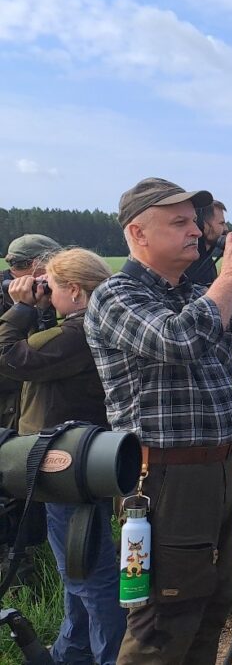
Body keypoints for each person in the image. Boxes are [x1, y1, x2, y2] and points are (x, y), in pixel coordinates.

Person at [85, 177, 232, 664]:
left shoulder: (196, 292)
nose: (195, 231)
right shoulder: (118, 296)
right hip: (165, 479)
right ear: (138, 233)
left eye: (195, 221)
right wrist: (230, 275)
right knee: (164, 617)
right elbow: (180, 341)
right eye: (178, 222)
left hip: (219, 470)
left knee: (212, 606)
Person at [0, 248, 127, 665]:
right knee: (77, 567)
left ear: (75, 290)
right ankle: (73, 651)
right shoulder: (91, 325)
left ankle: (112, 657)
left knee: (89, 572)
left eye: (51, 288)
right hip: (82, 459)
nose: (46, 294)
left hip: (65, 462)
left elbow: (10, 358)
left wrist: (19, 309)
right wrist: (38, 311)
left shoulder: (78, 333)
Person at [1, 233, 61, 429]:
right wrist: (22, 309)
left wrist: (44, 311)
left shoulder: (40, 292)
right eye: (56, 265)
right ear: (36, 265)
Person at [184, 199, 229, 285]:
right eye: (221, 223)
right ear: (204, 225)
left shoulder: (208, 260)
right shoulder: (188, 263)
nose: (226, 228)